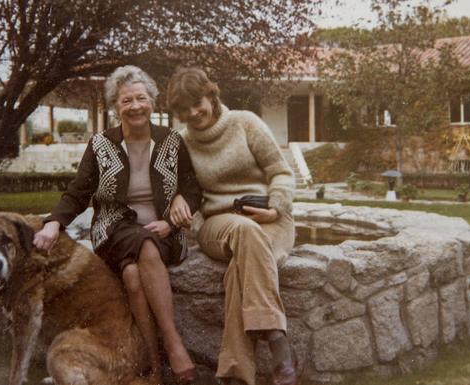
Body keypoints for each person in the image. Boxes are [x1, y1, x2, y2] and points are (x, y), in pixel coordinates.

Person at [33, 65, 201, 384]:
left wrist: (179, 205)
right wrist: (54, 223)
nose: (135, 105)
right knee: (144, 245)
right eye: (126, 101)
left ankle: (151, 366)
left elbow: (192, 189)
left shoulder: (172, 141)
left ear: (152, 101)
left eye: (141, 98)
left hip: (165, 233)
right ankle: (175, 346)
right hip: (114, 231)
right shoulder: (101, 145)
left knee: (134, 275)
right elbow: (77, 192)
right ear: (116, 107)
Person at [166, 67, 297, 385]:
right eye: (183, 108)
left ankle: (235, 374)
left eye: (196, 102)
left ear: (211, 95)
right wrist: (177, 202)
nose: (192, 112)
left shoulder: (245, 123)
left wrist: (276, 207)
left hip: (270, 220)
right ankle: (277, 338)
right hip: (219, 224)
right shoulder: (181, 143)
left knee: (242, 269)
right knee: (244, 231)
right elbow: (175, 190)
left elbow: (280, 172)